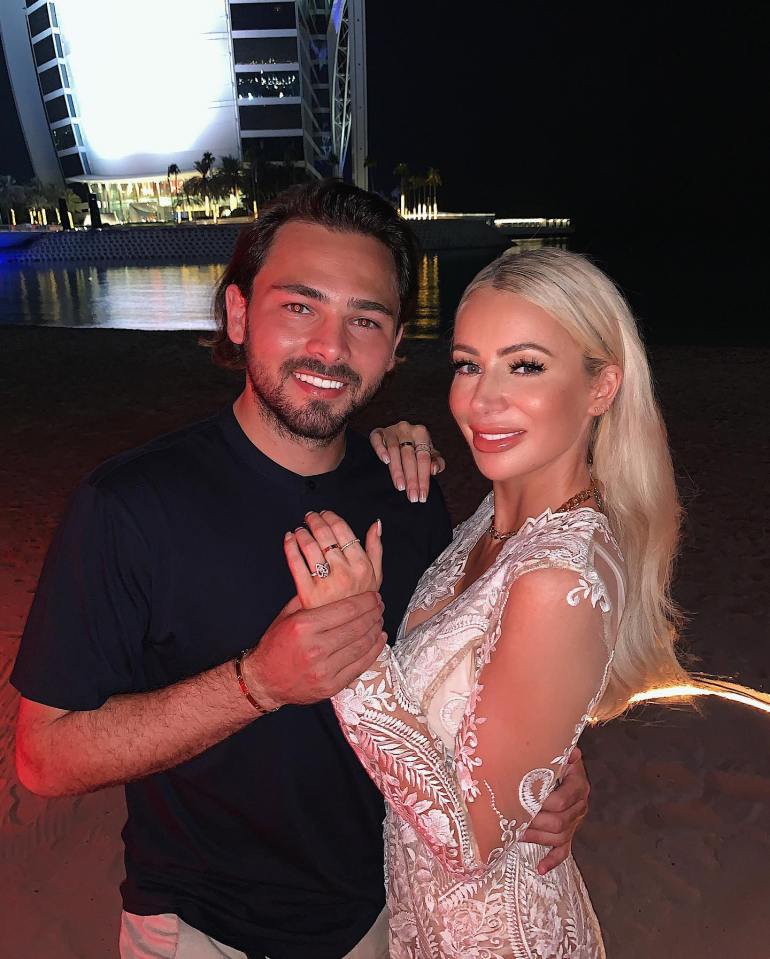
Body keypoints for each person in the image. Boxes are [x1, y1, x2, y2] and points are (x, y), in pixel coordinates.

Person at [11, 182, 590, 959]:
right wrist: (258, 682)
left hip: (383, 915)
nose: (331, 347)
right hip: (199, 928)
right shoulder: (129, 507)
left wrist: (545, 771)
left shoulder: (410, 494)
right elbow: (42, 757)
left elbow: (468, 678)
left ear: (393, 348)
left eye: (365, 319)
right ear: (240, 314)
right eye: (299, 307)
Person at [284, 247, 693, 957]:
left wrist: (350, 645)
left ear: (601, 387)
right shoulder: (494, 517)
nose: (481, 399)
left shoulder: (557, 577)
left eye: (525, 365)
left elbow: (468, 840)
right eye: (469, 363)